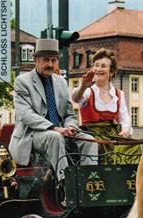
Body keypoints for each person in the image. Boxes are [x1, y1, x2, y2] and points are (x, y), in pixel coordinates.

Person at [10, 38, 97, 181]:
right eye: (45, 60)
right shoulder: (22, 81)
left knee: (89, 140)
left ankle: (88, 181)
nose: (50, 64)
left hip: (62, 130)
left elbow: (69, 112)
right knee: (55, 137)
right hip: (33, 134)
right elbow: (25, 115)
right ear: (36, 60)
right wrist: (55, 128)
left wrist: (70, 126)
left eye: (53, 60)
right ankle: (65, 183)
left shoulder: (61, 82)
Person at [71, 48, 140, 164]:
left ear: (111, 71)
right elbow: (76, 98)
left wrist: (124, 131)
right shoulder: (88, 91)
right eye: (96, 65)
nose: (98, 69)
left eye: (103, 66)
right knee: (106, 148)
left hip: (114, 135)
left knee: (134, 147)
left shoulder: (118, 94)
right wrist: (83, 86)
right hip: (93, 134)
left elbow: (124, 118)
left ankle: (129, 179)